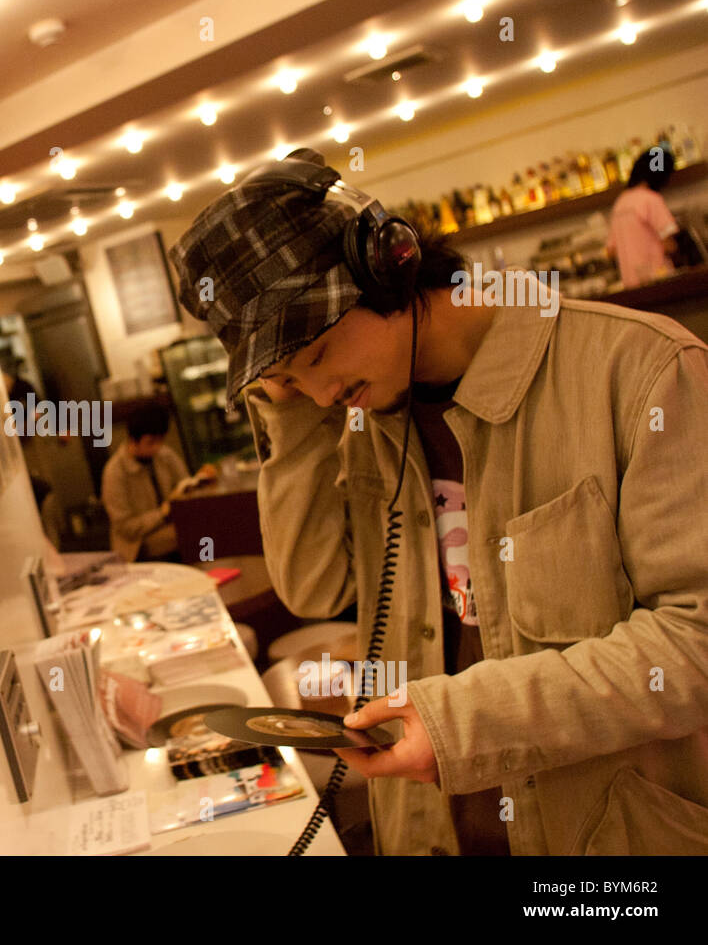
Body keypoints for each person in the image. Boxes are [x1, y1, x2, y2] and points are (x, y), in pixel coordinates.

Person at [167, 147, 708, 855]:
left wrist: (470, 721)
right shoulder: (358, 419)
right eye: (291, 379)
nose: (324, 393)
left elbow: (693, 644)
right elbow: (314, 585)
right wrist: (292, 413)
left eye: (321, 355)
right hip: (429, 830)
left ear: (389, 266)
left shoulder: (640, 371)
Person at [100, 404, 215, 563]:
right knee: (193, 532)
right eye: (151, 442)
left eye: (160, 440)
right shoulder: (115, 471)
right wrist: (162, 513)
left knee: (208, 521)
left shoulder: (164, 455)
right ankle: (207, 569)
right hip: (137, 543)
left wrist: (200, 480)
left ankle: (212, 571)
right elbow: (126, 528)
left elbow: (184, 484)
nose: (157, 447)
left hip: (172, 523)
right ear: (133, 440)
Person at [607, 146, 680, 288]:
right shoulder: (650, 199)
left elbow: (611, 250)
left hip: (631, 286)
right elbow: (669, 244)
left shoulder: (620, 203)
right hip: (659, 280)